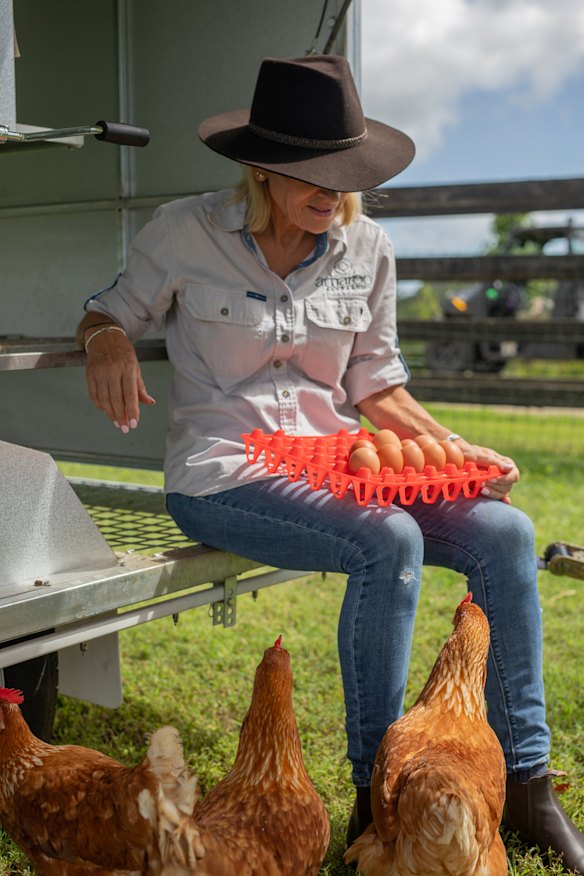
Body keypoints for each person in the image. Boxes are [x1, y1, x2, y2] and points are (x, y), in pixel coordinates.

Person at [76, 54, 583, 872]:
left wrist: (454, 450)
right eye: (314, 173)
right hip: (226, 472)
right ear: (262, 169)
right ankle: (374, 797)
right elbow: (109, 310)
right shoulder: (184, 231)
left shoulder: (368, 247)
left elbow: (377, 384)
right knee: (388, 539)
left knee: (506, 532)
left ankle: (526, 786)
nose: (336, 192)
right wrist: (105, 339)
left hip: (338, 467)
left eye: (348, 174)